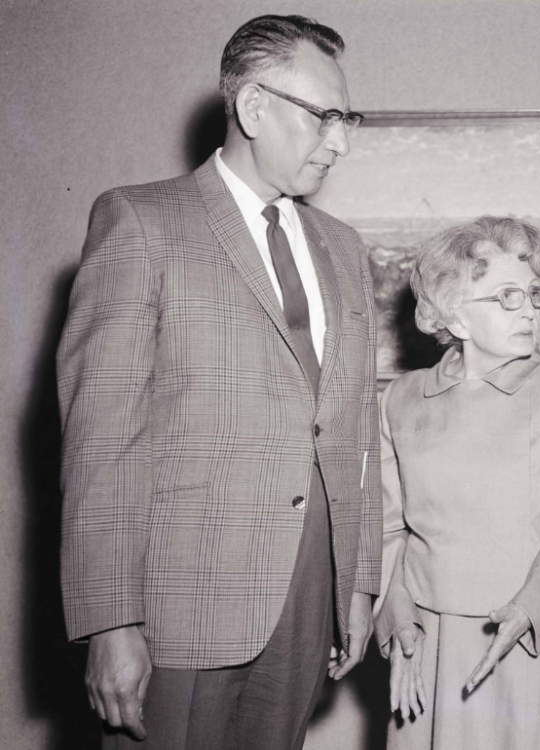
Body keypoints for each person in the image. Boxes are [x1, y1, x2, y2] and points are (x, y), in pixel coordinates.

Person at [57, 15, 380, 750]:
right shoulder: (140, 222)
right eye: (324, 116)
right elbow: (100, 441)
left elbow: (356, 426)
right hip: (179, 602)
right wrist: (110, 621)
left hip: (307, 597)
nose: (341, 141)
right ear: (253, 107)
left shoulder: (345, 248)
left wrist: (357, 584)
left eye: (347, 118)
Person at [373, 216, 540, 749]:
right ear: (456, 314)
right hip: (429, 646)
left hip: (532, 635)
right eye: (507, 296)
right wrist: (399, 620)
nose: (529, 309)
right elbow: (386, 527)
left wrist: (530, 611)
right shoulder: (400, 400)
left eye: (533, 294)